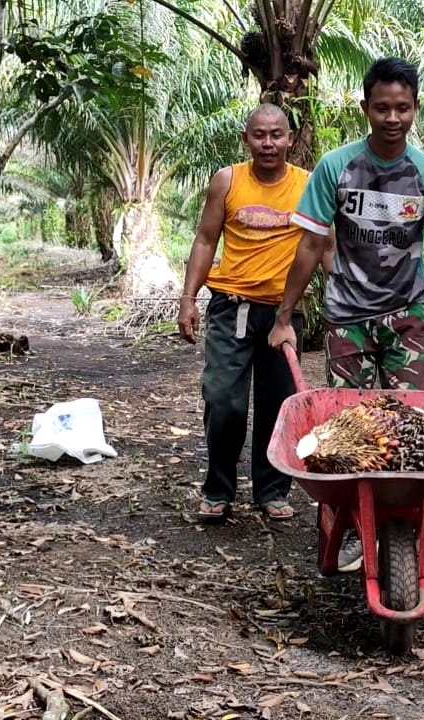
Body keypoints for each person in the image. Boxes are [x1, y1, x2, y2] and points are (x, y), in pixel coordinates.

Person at [267, 57, 424, 569]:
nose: (392, 118)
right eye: (381, 107)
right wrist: (284, 316)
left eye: (402, 108)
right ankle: (352, 525)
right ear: (365, 107)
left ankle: (418, 523)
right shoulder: (337, 167)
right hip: (347, 316)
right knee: (345, 428)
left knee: (416, 420)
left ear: (415, 109)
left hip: (406, 313)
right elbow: (309, 244)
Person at [178, 103, 328, 523]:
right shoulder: (227, 181)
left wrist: (341, 305)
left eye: (276, 135)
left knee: (277, 404)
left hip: (284, 311)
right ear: (246, 139)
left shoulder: (310, 185)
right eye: (259, 135)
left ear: (290, 139)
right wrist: (189, 298)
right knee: (223, 400)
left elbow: (325, 248)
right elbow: (206, 240)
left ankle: (271, 490)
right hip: (232, 309)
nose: (268, 143)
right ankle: (218, 489)